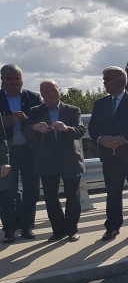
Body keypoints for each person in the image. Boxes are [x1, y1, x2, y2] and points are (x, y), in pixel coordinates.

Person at [88, 66, 128, 240]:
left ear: (121, 82)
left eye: (108, 79)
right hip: (110, 156)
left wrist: (124, 138)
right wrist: (100, 139)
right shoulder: (100, 104)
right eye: (104, 79)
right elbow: (93, 127)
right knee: (113, 192)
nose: (105, 82)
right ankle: (112, 227)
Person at [24, 80, 85, 242]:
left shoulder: (73, 110)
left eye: (53, 90)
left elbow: (80, 131)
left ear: (60, 91)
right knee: (51, 197)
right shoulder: (35, 111)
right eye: (46, 91)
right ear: (41, 94)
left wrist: (66, 128)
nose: (50, 93)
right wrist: (35, 128)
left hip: (70, 159)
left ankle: (72, 229)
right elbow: (26, 133)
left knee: (73, 196)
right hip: (47, 160)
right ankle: (58, 230)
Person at [0, 64, 41, 242]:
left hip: (30, 152)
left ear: (22, 79)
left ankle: (27, 226)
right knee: (7, 192)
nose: (14, 81)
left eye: (17, 78)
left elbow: (43, 121)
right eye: (9, 78)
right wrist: (3, 122)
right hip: (5, 154)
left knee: (31, 191)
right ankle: (9, 229)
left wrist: (27, 119)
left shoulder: (33, 97)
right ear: (2, 79)